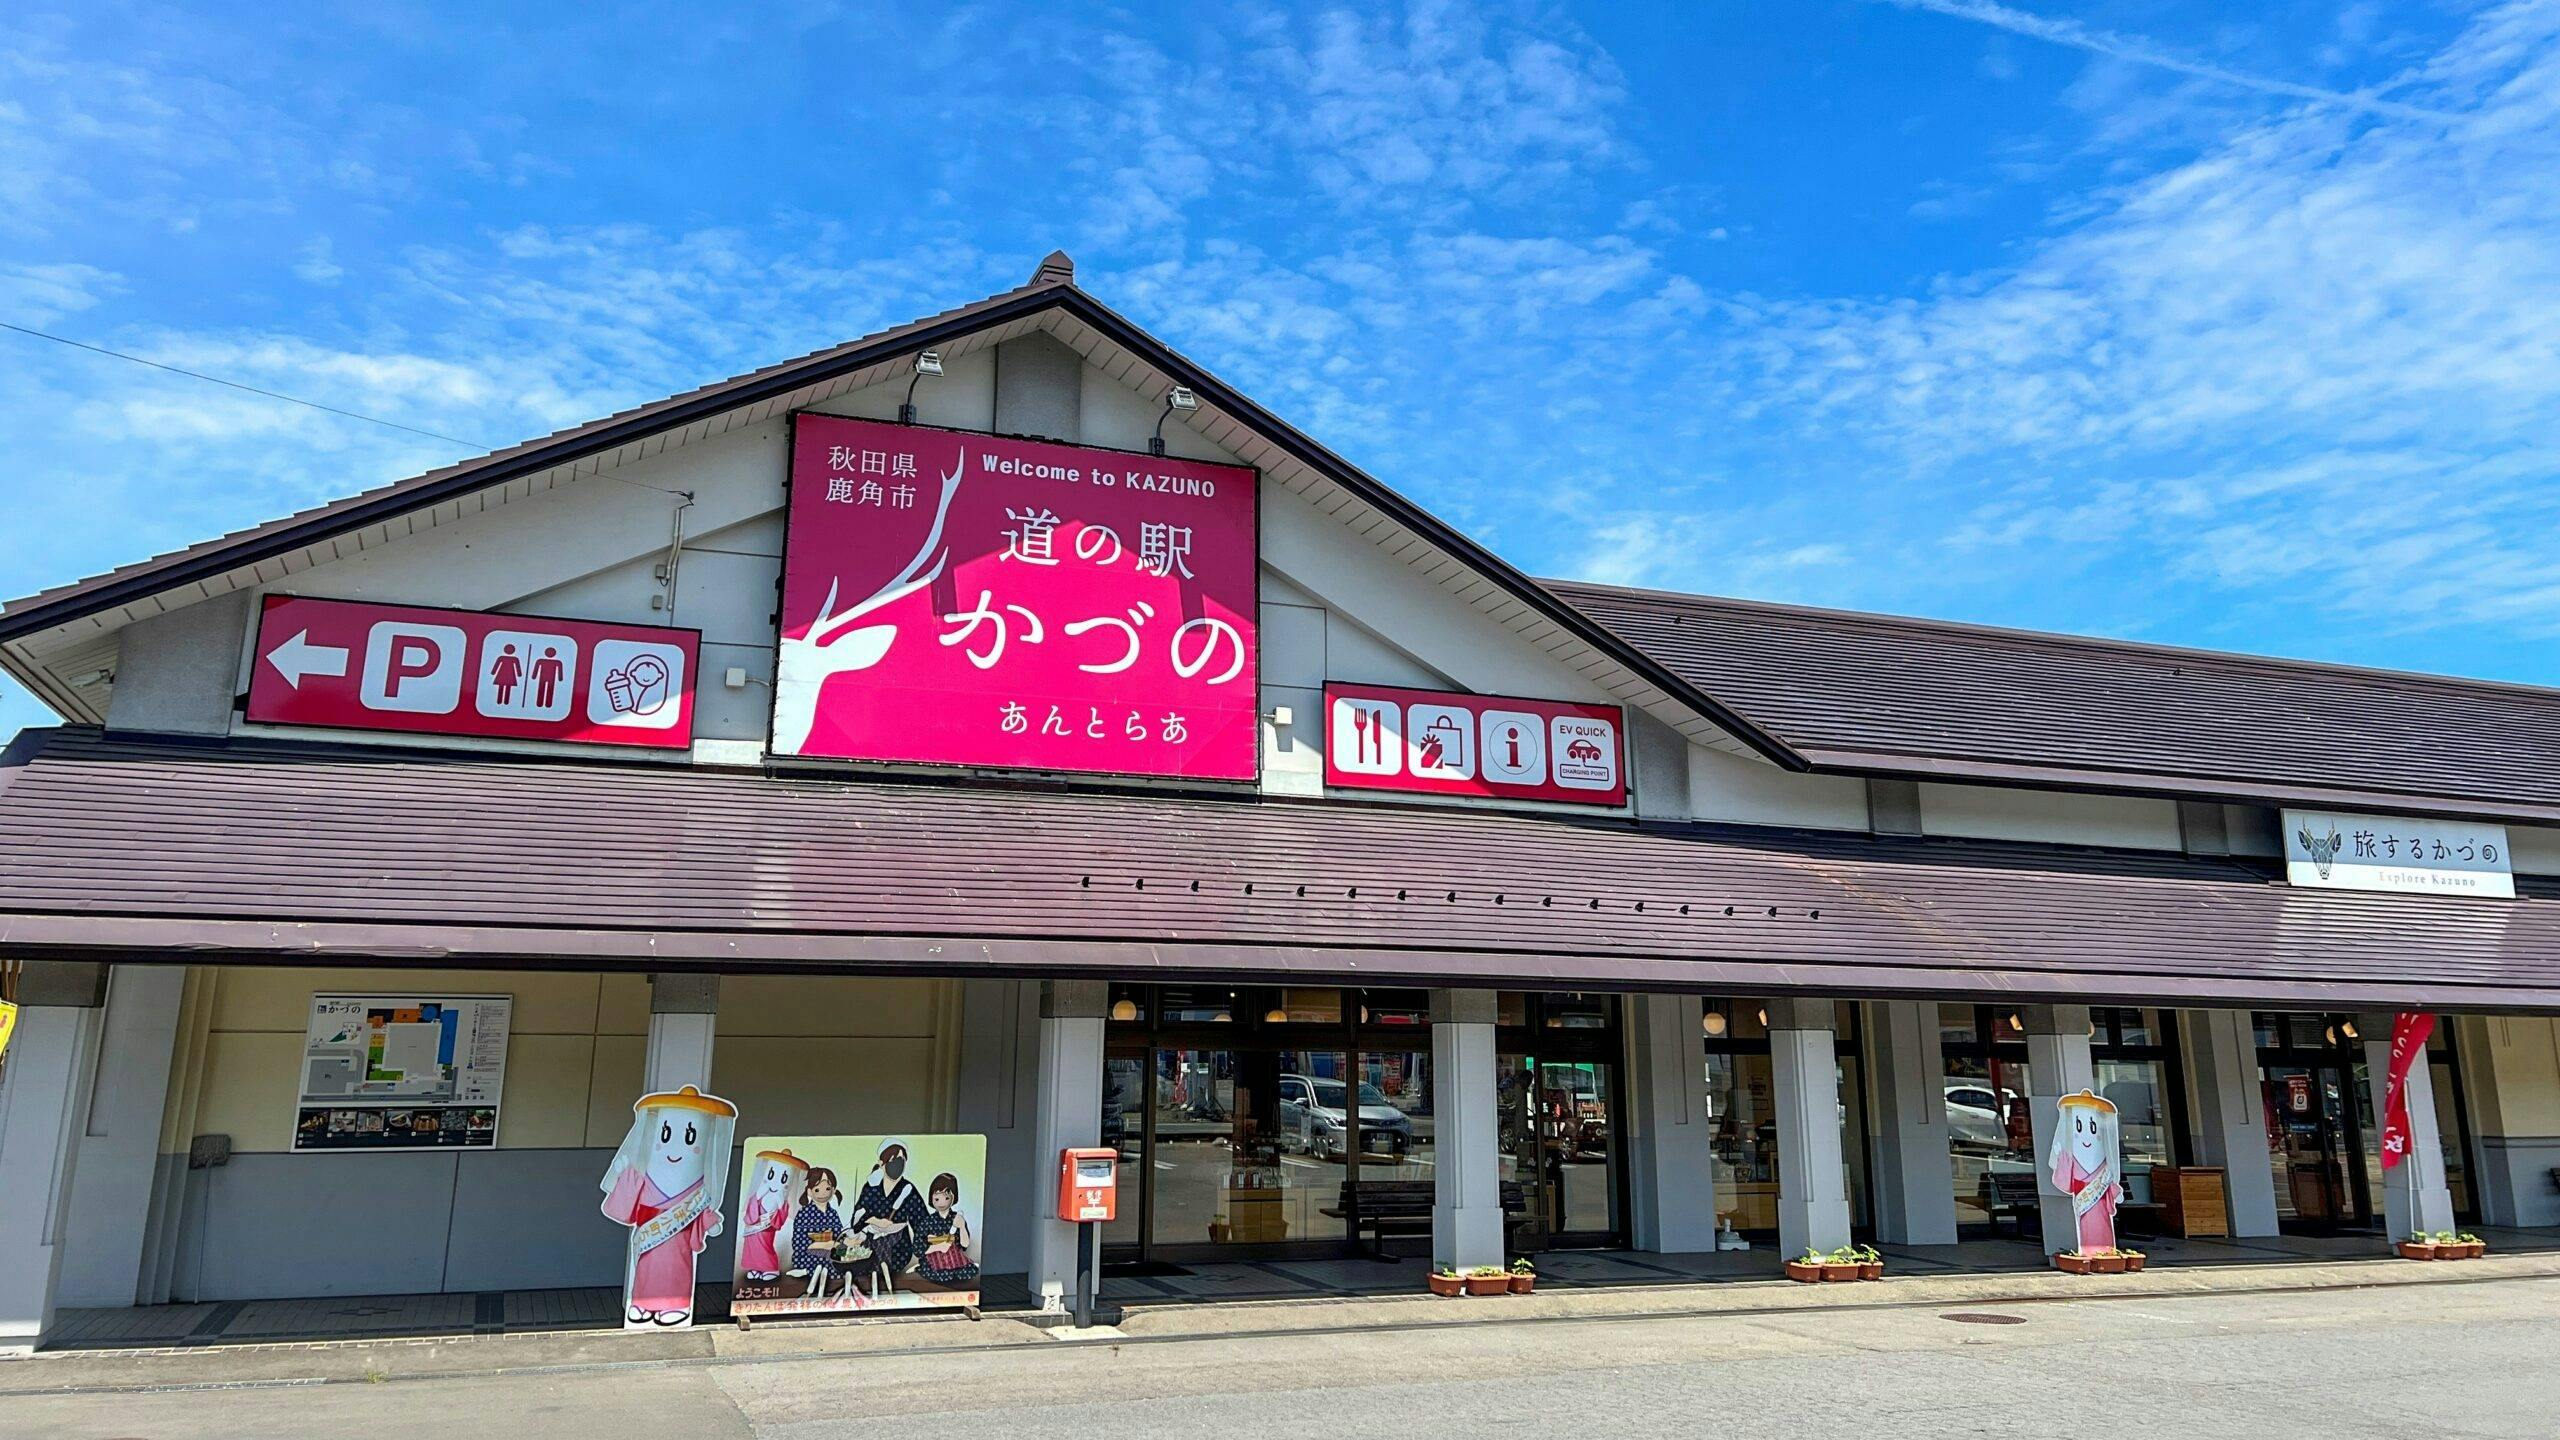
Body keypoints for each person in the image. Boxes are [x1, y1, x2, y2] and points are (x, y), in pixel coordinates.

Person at [850, 1140, 933, 1281]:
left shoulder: (908, 1189)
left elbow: (921, 1221)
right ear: (882, 1163)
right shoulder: (871, 1187)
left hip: (898, 1247)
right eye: (893, 1160)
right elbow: (857, 1217)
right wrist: (875, 1220)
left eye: (901, 1160)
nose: (897, 1165)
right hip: (871, 1245)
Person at [789, 1166, 848, 1301]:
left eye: (827, 1189)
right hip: (808, 1254)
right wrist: (824, 1243)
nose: (823, 1193)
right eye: (817, 1189)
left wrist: (846, 1243)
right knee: (824, 1263)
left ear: (833, 1190)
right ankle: (810, 1274)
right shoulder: (803, 1214)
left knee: (844, 1257)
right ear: (809, 1191)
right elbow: (799, 1243)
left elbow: (839, 1236)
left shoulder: (832, 1213)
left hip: (830, 1253)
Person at [915, 1172, 979, 1286]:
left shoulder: (956, 1219)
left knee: (965, 1272)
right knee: (940, 1274)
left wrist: (962, 1227)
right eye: (937, 1198)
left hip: (954, 1260)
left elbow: (964, 1245)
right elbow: (917, 1247)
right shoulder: (927, 1221)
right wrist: (937, 1246)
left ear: (953, 1198)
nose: (941, 1202)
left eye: (946, 1197)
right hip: (934, 1259)